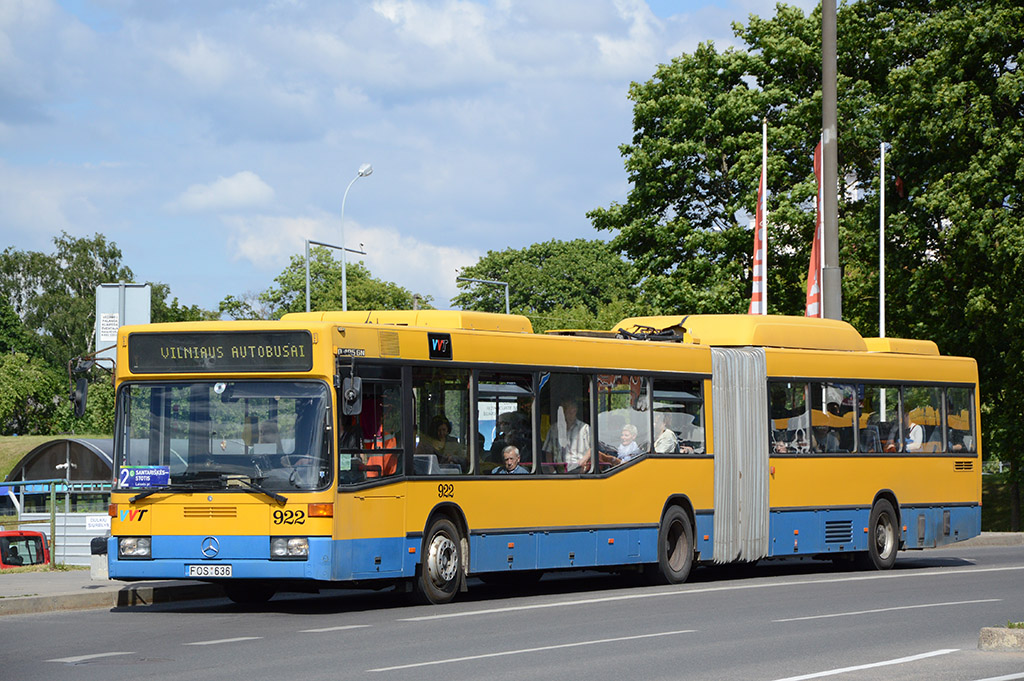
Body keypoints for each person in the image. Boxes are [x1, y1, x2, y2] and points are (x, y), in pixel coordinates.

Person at [541, 399, 591, 471]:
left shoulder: (584, 428)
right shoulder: (554, 429)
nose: (570, 412)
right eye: (568, 410)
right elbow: (548, 452)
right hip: (559, 470)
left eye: (572, 410)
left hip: (579, 469)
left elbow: (592, 449)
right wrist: (552, 471)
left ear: (576, 410)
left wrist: (583, 462)